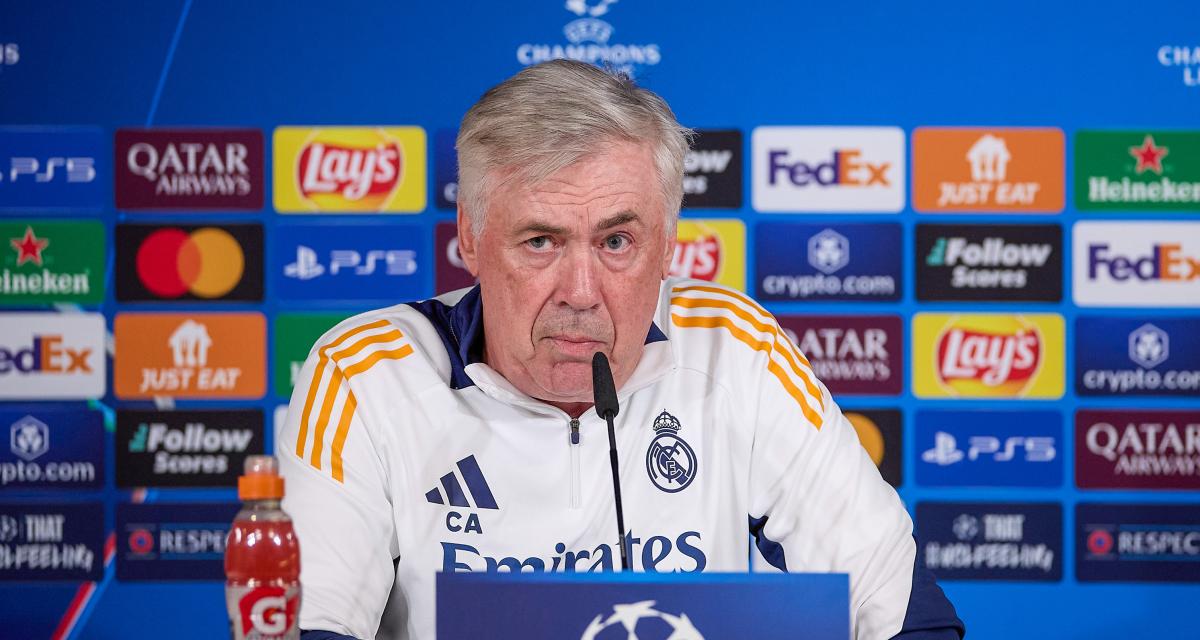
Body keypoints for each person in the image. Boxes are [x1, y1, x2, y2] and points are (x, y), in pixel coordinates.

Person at [280, 59, 964, 640]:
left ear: (667, 245)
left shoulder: (734, 349)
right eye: (540, 241)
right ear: (470, 238)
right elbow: (309, 625)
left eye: (616, 242)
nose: (581, 293)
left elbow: (900, 609)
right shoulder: (365, 376)